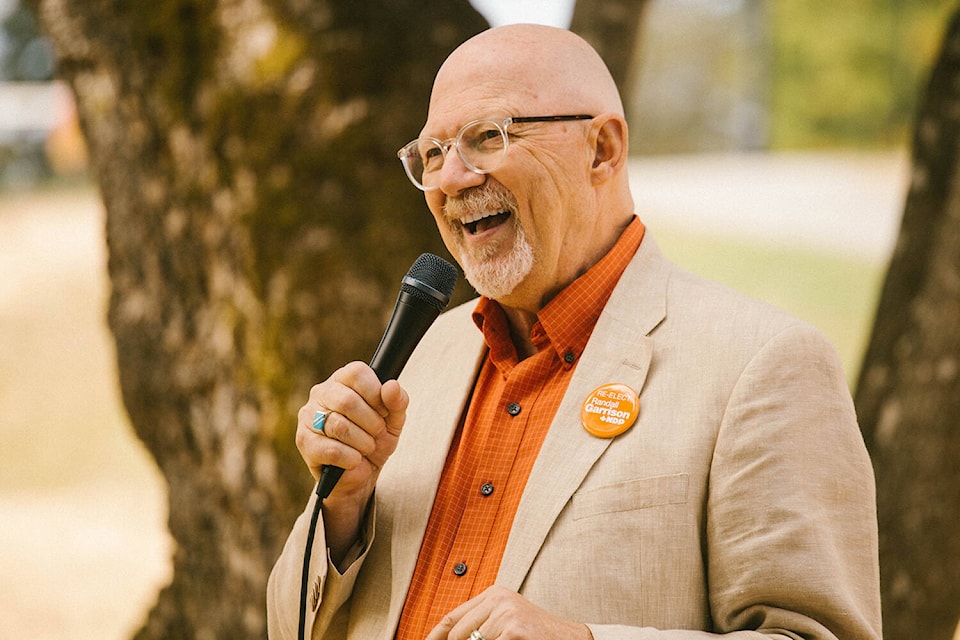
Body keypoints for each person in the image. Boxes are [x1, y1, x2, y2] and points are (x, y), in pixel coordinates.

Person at [267, 23, 882, 640]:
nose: (451, 179)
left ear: (602, 150)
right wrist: (341, 512)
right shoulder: (421, 358)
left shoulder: (766, 364)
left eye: (487, 137)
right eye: (431, 154)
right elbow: (288, 625)